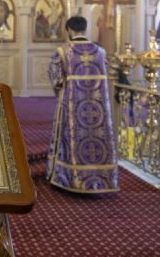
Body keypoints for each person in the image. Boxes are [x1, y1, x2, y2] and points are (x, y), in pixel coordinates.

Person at [46, 16, 119, 194]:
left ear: (69, 30)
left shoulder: (63, 52)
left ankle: (71, 177)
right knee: (98, 138)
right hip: (98, 108)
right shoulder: (101, 52)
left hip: (73, 107)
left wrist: (60, 90)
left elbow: (56, 78)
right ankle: (103, 179)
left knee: (71, 137)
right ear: (85, 30)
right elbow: (108, 73)